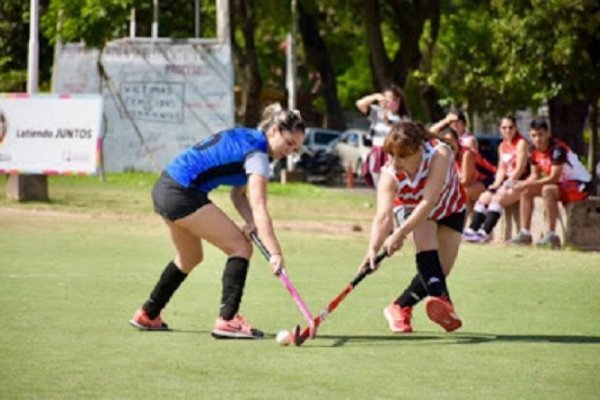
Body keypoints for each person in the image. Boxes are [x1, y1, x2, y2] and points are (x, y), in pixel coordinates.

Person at [129, 103, 305, 339]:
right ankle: (228, 320)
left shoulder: (248, 138)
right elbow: (259, 206)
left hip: (165, 187)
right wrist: (276, 252)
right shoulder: (258, 156)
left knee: (190, 257)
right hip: (182, 192)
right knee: (241, 247)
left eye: (296, 147)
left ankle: (148, 314)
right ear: (274, 130)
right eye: (289, 143)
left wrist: (250, 221)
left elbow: (237, 195)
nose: (290, 151)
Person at [361, 121, 465, 334]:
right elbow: (383, 217)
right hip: (411, 210)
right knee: (424, 231)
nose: (395, 162)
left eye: (402, 156)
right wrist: (372, 249)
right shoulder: (390, 175)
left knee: (439, 271)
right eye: (391, 155)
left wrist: (399, 234)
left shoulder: (440, 154)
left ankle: (399, 306)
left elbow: (428, 201)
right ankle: (443, 301)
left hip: (451, 208)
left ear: (418, 150)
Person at [509, 118, 591, 248]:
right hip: (562, 184)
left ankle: (551, 235)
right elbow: (534, 175)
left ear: (548, 134)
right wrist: (520, 184)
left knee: (548, 189)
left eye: (540, 135)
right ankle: (525, 233)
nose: (537, 139)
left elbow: (553, 178)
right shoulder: (533, 150)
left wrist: (526, 184)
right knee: (525, 190)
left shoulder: (557, 149)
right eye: (533, 136)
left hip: (580, 185)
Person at [462, 115, 529, 243]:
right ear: (500, 129)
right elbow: (501, 169)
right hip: (506, 182)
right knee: (484, 197)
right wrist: (497, 183)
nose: (507, 130)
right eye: (504, 128)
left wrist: (506, 185)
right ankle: (472, 230)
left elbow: (520, 168)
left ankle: (485, 233)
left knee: (497, 198)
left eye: (511, 127)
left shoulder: (521, 143)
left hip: (520, 182)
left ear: (516, 128)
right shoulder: (502, 145)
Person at [355, 85, 410, 187]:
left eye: (393, 99)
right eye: (387, 99)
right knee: (378, 182)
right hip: (377, 151)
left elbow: (404, 136)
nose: (390, 102)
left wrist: (388, 121)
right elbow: (360, 104)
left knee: (392, 183)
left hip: (394, 153)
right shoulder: (377, 113)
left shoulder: (403, 118)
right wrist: (375, 97)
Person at [442, 129, 496, 213]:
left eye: (450, 141)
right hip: (475, 182)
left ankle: (467, 222)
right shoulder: (447, 156)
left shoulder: (466, 154)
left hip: (491, 180)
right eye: (445, 143)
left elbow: (466, 181)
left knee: (463, 193)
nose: (449, 145)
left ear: (457, 141)